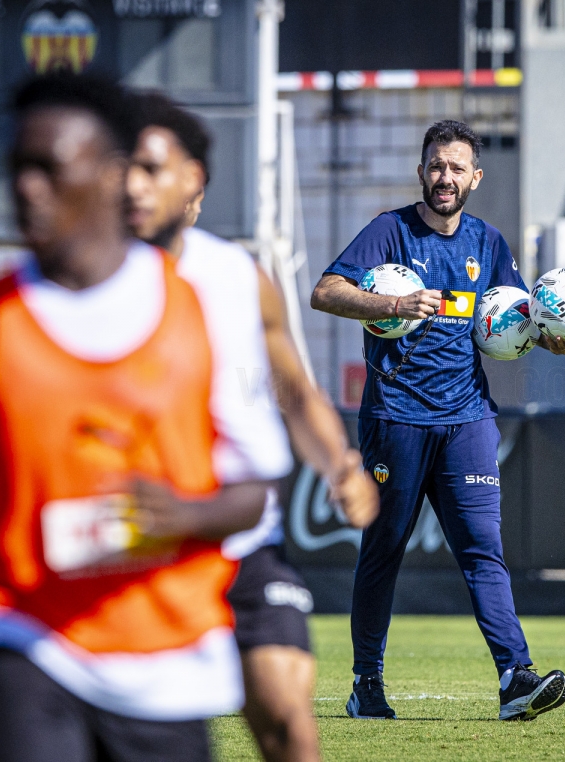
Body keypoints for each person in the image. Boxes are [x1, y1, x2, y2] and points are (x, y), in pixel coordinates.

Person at [0, 74, 288, 762]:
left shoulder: (208, 313)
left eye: (48, 168)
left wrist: (184, 516)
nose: (25, 187)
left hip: (166, 666)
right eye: (17, 167)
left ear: (111, 175)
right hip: (20, 642)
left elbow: (254, 491)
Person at [125, 92, 377, 761]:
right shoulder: (80, 279)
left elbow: (295, 391)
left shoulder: (237, 276)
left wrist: (339, 464)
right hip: (135, 545)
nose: (133, 185)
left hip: (243, 542)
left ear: (194, 185)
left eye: (151, 169)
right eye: (124, 168)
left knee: (290, 723)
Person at [310, 119, 565, 721]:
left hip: (467, 419)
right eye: (436, 165)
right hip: (396, 417)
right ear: (421, 171)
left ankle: (515, 678)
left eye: (456, 167)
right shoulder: (389, 231)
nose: (445, 177)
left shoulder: (489, 244)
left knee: (484, 549)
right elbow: (325, 291)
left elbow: (518, 323)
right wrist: (392, 303)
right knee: (384, 548)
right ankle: (366, 682)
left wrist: (552, 340)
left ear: (475, 178)